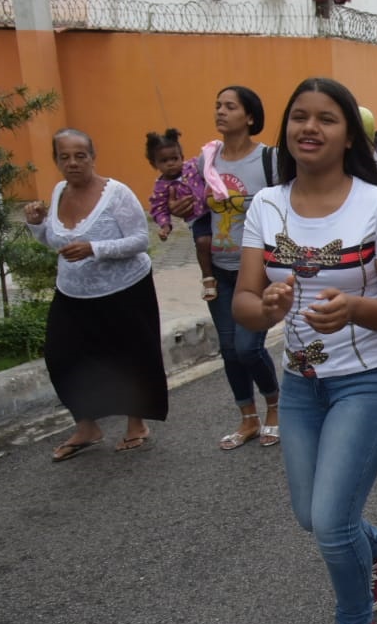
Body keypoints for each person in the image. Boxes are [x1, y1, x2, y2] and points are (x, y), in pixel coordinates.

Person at [232, 77, 377, 624]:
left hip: (370, 383)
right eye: (300, 118)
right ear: (286, 129)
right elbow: (245, 305)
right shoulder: (268, 206)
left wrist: (356, 309)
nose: (310, 128)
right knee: (312, 515)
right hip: (303, 385)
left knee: (331, 520)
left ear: (350, 135)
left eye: (327, 119)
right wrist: (269, 306)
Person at [26, 129, 168, 460]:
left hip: (125, 289)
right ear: (56, 160)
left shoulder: (117, 194)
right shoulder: (59, 190)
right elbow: (56, 242)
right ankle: (87, 426)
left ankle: (137, 424)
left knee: (130, 356)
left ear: (92, 157)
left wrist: (95, 248)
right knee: (60, 357)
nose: (73, 163)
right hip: (73, 292)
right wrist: (36, 225)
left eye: (80, 155)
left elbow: (139, 241)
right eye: (65, 157)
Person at [169, 86, 281, 451]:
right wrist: (184, 210)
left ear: (249, 117)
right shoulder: (206, 160)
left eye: (230, 107)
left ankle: (275, 406)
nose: (220, 112)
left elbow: (288, 207)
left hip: (258, 270)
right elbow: (198, 210)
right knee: (229, 350)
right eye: (217, 105)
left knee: (249, 347)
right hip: (218, 268)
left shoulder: (269, 160)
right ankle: (247, 417)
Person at [145, 128, 216, 300]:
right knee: (202, 241)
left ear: (182, 157)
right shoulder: (161, 187)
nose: (171, 163)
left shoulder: (192, 167)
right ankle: (208, 278)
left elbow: (208, 166)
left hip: (214, 210)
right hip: (198, 218)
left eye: (174, 158)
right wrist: (165, 226)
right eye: (164, 161)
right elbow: (159, 208)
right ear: (155, 164)